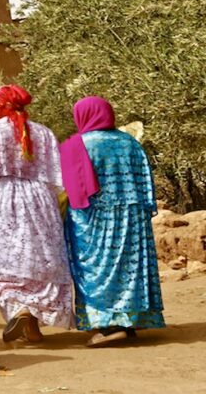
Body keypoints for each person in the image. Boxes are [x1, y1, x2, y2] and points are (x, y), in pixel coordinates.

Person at [0, 84, 73, 343]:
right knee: (37, 260)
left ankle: (20, 309)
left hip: (3, 201)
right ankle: (32, 327)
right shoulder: (44, 134)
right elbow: (57, 178)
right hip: (40, 201)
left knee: (5, 261)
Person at [60, 96, 165, 347]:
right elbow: (146, 184)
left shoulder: (76, 145)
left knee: (97, 268)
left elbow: (72, 192)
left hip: (94, 218)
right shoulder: (130, 142)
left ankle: (108, 325)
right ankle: (129, 321)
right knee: (130, 268)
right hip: (133, 217)